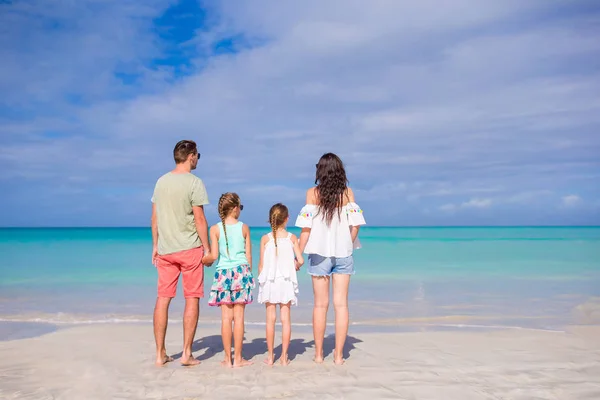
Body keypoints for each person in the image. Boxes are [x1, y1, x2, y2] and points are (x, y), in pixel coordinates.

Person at [296, 153, 366, 365]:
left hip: (318, 255)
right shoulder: (347, 193)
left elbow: (306, 230)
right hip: (343, 254)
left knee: (320, 306)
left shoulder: (312, 194)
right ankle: (338, 356)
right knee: (341, 305)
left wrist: (297, 255)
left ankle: (318, 355)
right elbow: (356, 225)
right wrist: (348, 243)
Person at [151, 140, 211, 367]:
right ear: (191, 156)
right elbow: (200, 219)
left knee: (163, 299)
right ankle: (186, 353)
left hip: (166, 250)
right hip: (189, 249)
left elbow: (155, 217)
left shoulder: (161, 182)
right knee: (192, 298)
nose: (197, 159)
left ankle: (160, 354)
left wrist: (155, 245)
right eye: (198, 155)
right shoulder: (195, 182)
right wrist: (207, 248)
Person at [203, 192, 255, 368]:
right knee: (239, 318)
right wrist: (249, 275)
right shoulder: (244, 228)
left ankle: (227, 358)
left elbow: (214, 255)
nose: (240, 210)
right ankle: (238, 358)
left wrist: (204, 261)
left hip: (223, 273)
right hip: (241, 272)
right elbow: (248, 257)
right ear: (234, 209)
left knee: (226, 318)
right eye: (240, 207)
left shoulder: (215, 229)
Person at [257, 203, 304, 366]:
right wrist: (295, 265)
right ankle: (284, 357)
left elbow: (261, 266)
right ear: (287, 219)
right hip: (285, 282)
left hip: (270, 281)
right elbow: (301, 260)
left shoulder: (265, 239)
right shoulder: (292, 238)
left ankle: (270, 357)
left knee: (270, 319)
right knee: (286, 319)